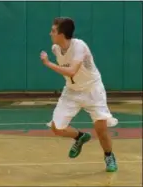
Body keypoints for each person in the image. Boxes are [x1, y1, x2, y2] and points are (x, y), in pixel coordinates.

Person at [40, 17, 118, 172]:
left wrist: (48, 63)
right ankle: (80, 137)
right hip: (71, 91)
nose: (50, 33)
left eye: (53, 31)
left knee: (101, 130)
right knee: (57, 128)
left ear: (62, 34)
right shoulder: (56, 48)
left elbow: (71, 71)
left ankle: (109, 155)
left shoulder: (79, 46)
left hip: (92, 89)